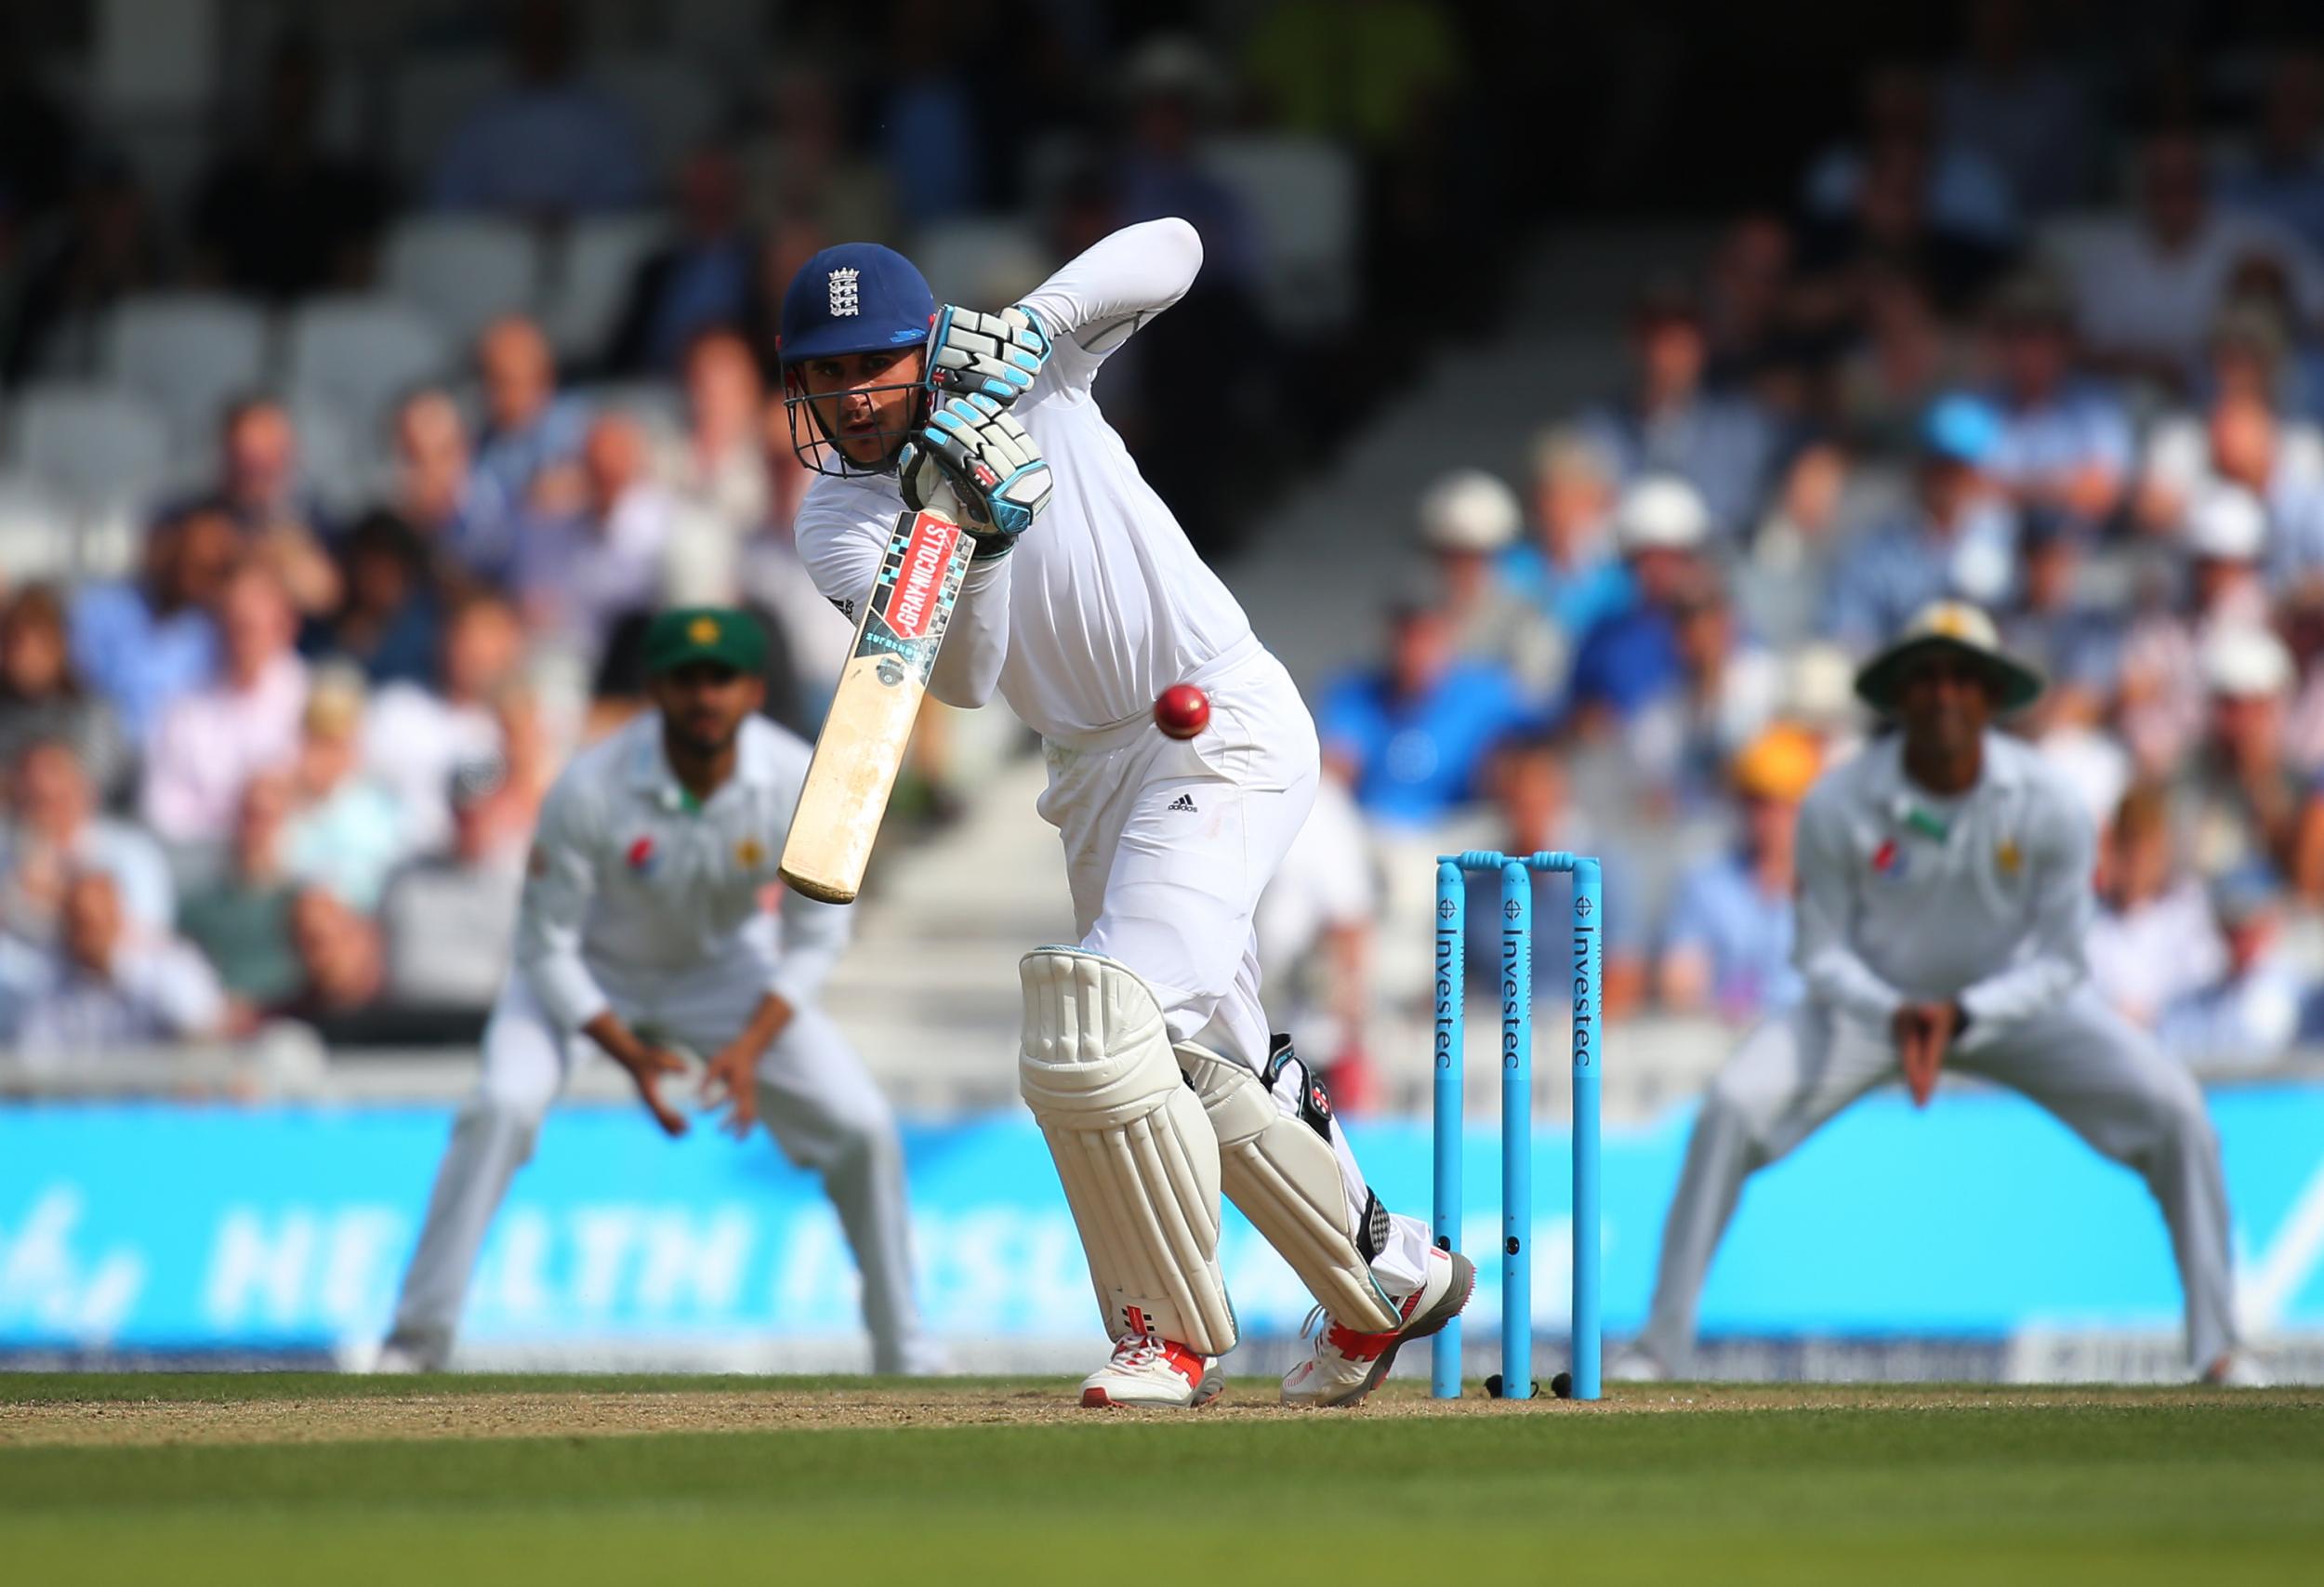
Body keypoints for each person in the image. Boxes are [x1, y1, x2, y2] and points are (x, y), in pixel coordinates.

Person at [780, 224, 1471, 1408]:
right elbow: (964, 681)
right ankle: (1386, 1273)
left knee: (1097, 1026)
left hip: (1217, 725)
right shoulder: (837, 521)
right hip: (1090, 773)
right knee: (1207, 1056)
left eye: (873, 365)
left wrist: (1036, 325)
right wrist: (978, 538)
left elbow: (1182, 247)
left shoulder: (1020, 369)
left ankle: (1165, 1333)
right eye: (828, 374)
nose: (852, 396)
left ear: (922, 348)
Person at [1620, 602, 2252, 1384]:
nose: (1946, 693)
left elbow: (2059, 961)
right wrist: (1897, 1010)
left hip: (2016, 1006)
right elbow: (1819, 953)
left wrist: (1968, 1013)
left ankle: (2219, 1348)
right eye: (1928, 677)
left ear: (1991, 695)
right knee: (1730, 1109)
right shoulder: (1839, 801)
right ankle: (1662, 1344)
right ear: (1900, 694)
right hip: (1868, 1010)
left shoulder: (2047, 801)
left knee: (2178, 1112)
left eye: (1964, 677)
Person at [376, 608, 931, 1375]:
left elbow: (817, 936)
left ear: (754, 690)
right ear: (654, 690)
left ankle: (906, 1345)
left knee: (863, 1124)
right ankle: (416, 1339)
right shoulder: (592, 784)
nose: (704, 696)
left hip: (725, 972)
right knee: (502, 1103)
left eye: (722, 678)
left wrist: (749, 1046)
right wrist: (628, 1053)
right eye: (685, 679)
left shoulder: (794, 781)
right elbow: (543, 944)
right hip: (589, 967)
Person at [140, 561, 308, 851]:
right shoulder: (184, 710)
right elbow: (162, 812)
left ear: (285, 627)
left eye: (248, 629)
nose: (237, 642)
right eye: (228, 627)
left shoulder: (311, 699)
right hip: (208, 864)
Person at [1656, 727, 1820, 1022]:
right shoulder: (1704, 885)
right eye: (1759, 803)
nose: (1772, 819)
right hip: (1726, 1045)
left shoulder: (1834, 888)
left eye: (1785, 805)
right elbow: (1680, 984)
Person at [0, 585, 130, 806]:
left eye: (39, 642)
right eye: (16, 643)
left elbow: (99, 783)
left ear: (60, 645)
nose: (26, 656)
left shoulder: (92, 714)